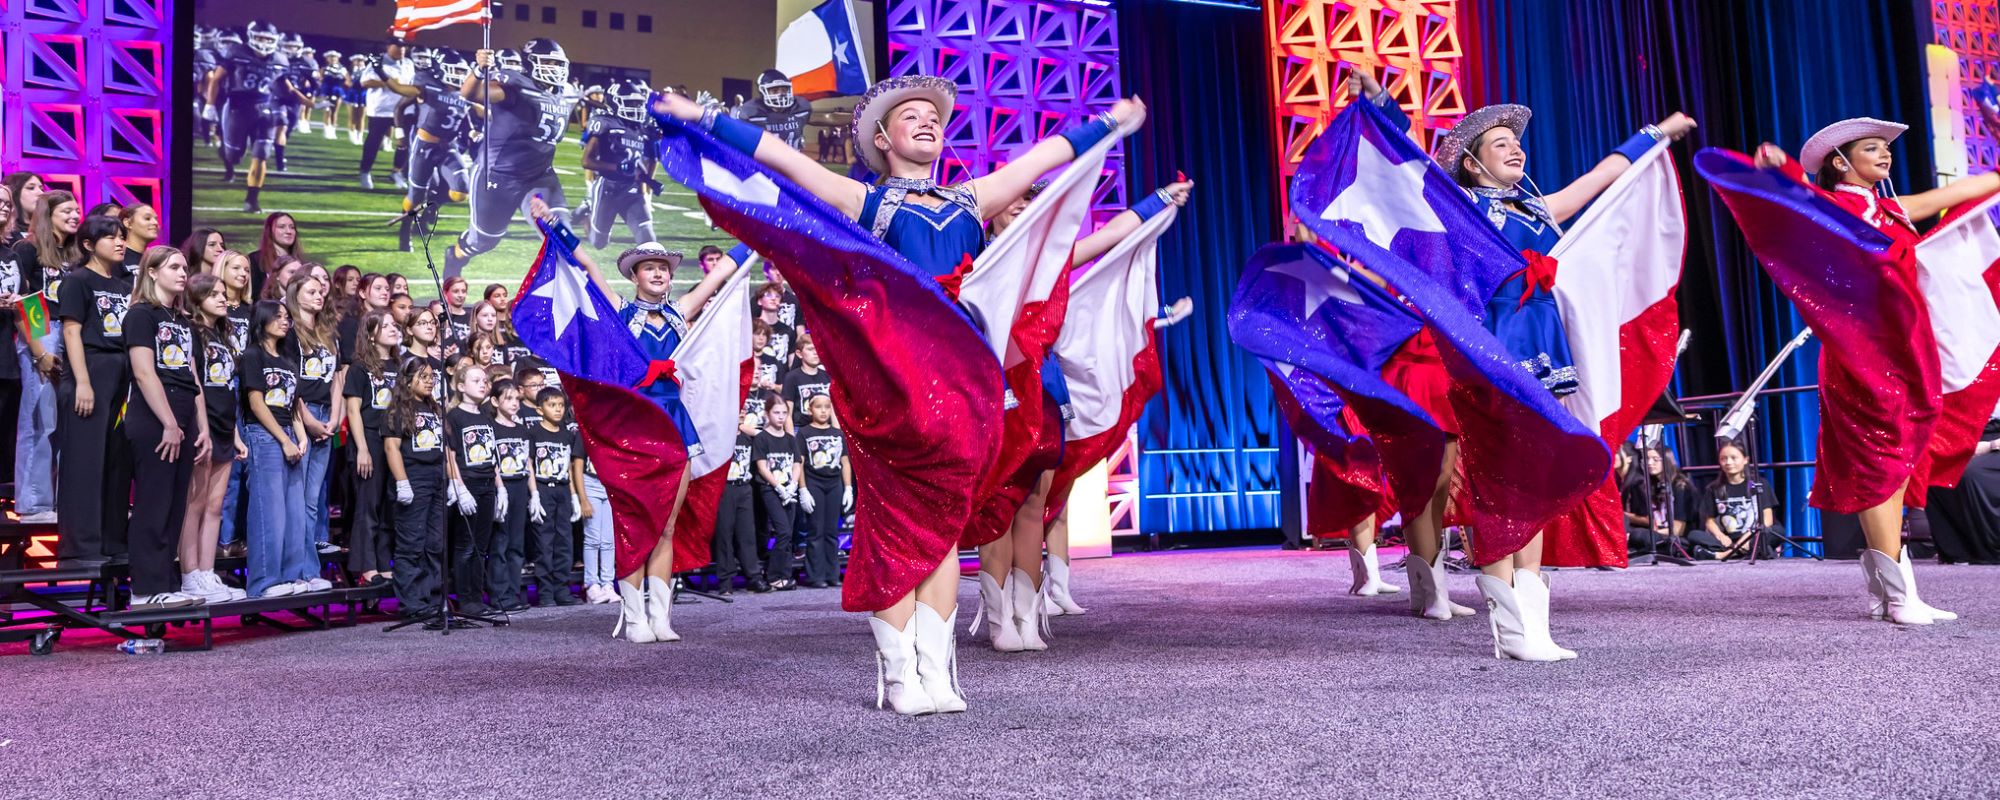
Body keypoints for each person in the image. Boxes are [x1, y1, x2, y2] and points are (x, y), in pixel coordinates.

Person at [652, 74, 1147, 713]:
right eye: (909, 116)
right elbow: (786, 161)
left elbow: (1043, 156)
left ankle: (935, 673)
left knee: (942, 529)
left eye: (932, 115)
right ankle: (896, 675)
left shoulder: (971, 199)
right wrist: (706, 116)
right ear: (883, 139)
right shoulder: (870, 201)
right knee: (893, 522)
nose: (925, 121)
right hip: (893, 381)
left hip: (965, 381)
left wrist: (1107, 124)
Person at [1424, 82, 1695, 659]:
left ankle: (1532, 618)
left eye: (1517, 142)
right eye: (1499, 144)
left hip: (1547, 349)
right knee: (1500, 474)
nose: (1515, 149)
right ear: (1471, 162)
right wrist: (1376, 104)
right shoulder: (1461, 209)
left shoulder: (1534, 207)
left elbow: (1601, 179)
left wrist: (1654, 136)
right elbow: (1412, 183)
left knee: (1538, 475)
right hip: (1492, 350)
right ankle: (1510, 624)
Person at [1744, 121, 1993, 625]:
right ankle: (1900, 595)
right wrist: (1785, 169)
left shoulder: (1888, 209)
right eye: (1872, 149)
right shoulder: (1838, 208)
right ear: (1841, 162)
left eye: (1886, 149)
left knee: (1894, 461)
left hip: (1900, 352)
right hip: (1863, 354)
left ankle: (1888, 591)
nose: (1885, 156)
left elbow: (1957, 191)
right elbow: (1800, 202)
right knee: (1883, 462)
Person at [550, 228, 736, 642]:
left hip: (674, 423)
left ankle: (660, 616)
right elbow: (589, 266)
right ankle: (633, 617)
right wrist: (555, 228)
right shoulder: (619, 309)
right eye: (649, 267)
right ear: (635, 275)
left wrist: (757, 235)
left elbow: (720, 273)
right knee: (635, 522)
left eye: (663, 268)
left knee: (667, 525)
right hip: (636, 425)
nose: (658, 273)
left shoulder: (681, 311)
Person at [441, 40, 579, 278]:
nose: (554, 68)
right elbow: (471, 93)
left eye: (558, 63)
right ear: (529, 63)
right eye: (547, 62)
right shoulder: (515, 83)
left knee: (563, 240)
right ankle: (454, 256)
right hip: (498, 177)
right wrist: (478, 70)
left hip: (539, 177)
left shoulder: (564, 92)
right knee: (483, 241)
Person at [123, 246, 210, 609]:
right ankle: (145, 588)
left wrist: (201, 426)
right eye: (174, 266)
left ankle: (165, 583)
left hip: (183, 410)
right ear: (153, 272)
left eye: (184, 267)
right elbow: (144, 372)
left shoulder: (182, 321)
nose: (182, 273)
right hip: (154, 413)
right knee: (153, 501)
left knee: (175, 504)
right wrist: (170, 424)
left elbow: (193, 376)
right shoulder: (141, 315)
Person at [54, 216, 134, 566]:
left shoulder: (123, 284)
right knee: (85, 460)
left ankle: (112, 538)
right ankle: (81, 544)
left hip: (122, 372)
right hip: (92, 369)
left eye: (121, 237)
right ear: (89, 244)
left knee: (117, 458)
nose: (119, 243)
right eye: (111, 237)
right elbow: (71, 332)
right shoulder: (77, 281)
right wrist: (82, 381)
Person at [239, 299, 325, 597]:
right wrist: (285, 439)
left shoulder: (287, 360)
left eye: (287, 317)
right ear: (262, 319)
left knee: (294, 512)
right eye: (278, 316)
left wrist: (300, 436)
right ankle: (264, 582)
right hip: (264, 435)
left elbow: (293, 407)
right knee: (270, 512)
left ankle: (292, 576)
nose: (285, 321)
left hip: (289, 433)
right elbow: (255, 403)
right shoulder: (252, 355)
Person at [180, 272, 248, 603]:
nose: (223, 298)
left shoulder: (222, 334)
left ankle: (207, 572)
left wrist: (234, 434)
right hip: (200, 425)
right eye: (214, 294)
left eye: (223, 293)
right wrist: (202, 426)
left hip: (224, 424)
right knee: (194, 503)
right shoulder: (192, 333)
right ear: (196, 299)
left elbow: (228, 389)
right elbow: (195, 385)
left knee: (215, 505)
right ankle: (190, 573)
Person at [10, 188, 69, 524]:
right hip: (42, 331)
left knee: (59, 422)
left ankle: (54, 497)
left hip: (67, 332)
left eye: (76, 210)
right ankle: (32, 502)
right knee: (38, 419)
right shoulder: (28, 249)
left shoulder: (71, 253)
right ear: (48, 214)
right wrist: (38, 351)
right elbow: (25, 302)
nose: (75, 216)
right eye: (66, 211)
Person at [205, 20, 295, 212]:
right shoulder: (236, 52)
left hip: (264, 109)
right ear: (251, 36)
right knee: (233, 154)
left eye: (268, 38)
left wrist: (295, 104)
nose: (263, 42)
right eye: (260, 37)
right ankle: (233, 157)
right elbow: (216, 79)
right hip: (237, 107)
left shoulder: (280, 59)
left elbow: (284, 88)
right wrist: (210, 104)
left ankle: (251, 199)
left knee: (262, 154)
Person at [385, 357, 449, 624]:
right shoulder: (399, 408)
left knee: (434, 543)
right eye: (423, 376)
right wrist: (402, 482)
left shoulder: (433, 408)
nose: (430, 381)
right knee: (412, 543)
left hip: (435, 478)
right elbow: (392, 447)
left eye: (432, 377)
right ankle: (412, 602)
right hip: (414, 477)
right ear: (407, 379)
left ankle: (432, 598)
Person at [343, 311, 402, 587]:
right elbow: (353, 410)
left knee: (389, 505)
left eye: (394, 324)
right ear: (371, 334)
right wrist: (363, 449)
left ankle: (382, 561)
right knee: (368, 506)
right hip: (369, 439)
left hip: (394, 443)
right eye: (386, 325)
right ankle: (365, 565)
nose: (393, 328)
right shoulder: (360, 367)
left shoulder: (400, 366)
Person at [444, 362, 504, 615]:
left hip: (487, 483)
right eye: (476, 380)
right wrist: (458, 486)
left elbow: (493, 455)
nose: (483, 384)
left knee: (481, 545)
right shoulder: (455, 416)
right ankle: (465, 598)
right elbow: (450, 453)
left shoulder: (486, 416)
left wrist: (501, 488)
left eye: (485, 381)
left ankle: (477, 597)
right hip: (467, 482)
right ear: (460, 386)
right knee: (465, 545)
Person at [582, 80, 661, 250]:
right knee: (599, 243)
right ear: (614, 103)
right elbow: (587, 161)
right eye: (630, 103)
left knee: (648, 239)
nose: (635, 108)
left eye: (638, 103)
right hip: (607, 189)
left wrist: (650, 181)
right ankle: (585, 212)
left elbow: (637, 162)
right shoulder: (606, 123)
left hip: (632, 191)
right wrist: (617, 168)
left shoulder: (641, 127)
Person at [527, 387, 583, 606]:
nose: (558, 410)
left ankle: (562, 590)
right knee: (544, 543)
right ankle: (546, 593)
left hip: (562, 490)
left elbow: (569, 467)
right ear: (540, 409)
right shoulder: (533, 433)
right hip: (543, 489)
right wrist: (534, 495)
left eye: (561, 405)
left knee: (564, 543)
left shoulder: (567, 435)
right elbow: (529, 463)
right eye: (552, 405)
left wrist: (574, 496)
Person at [797, 395, 851, 588]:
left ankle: (832, 574)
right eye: (819, 407)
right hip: (814, 483)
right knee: (816, 530)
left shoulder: (838, 434)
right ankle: (815, 575)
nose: (823, 411)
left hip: (834, 484)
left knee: (831, 531)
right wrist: (803, 489)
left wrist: (848, 488)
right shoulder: (804, 433)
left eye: (827, 407)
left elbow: (844, 462)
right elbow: (800, 462)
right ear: (810, 409)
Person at [489, 379, 533, 611]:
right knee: (500, 543)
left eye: (517, 398)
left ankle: (512, 594)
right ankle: (498, 596)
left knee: (517, 543)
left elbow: (528, 462)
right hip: (502, 487)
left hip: (520, 486)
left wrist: (533, 493)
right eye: (509, 398)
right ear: (495, 401)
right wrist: (500, 488)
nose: (515, 403)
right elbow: (492, 461)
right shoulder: (491, 427)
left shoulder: (521, 428)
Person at [752, 393, 802, 591]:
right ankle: (773, 575)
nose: (780, 417)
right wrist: (779, 487)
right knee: (782, 531)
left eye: (784, 413)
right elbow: (762, 467)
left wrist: (793, 485)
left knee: (788, 533)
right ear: (767, 414)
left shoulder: (790, 439)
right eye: (776, 412)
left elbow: (797, 462)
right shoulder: (762, 438)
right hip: (770, 490)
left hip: (788, 490)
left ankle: (784, 574)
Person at [1701, 439, 1781, 560]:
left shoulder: (1759, 484)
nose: (1728, 462)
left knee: (1777, 531)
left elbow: (1767, 520)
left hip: (1752, 536)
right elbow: (1709, 520)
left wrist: (1743, 542)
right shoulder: (1714, 488)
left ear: (1745, 460)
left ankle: (1726, 555)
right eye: (1723, 458)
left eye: (1734, 458)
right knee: (1694, 535)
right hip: (1728, 540)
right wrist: (1720, 536)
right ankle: (1748, 552)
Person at [711, 412, 763, 594]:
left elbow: (765, 436)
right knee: (725, 534)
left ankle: (753, 577)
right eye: (737, 410)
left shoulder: (749, 437)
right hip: (725, 489)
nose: (741, 414)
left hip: (744, 488)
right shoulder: (720, 437)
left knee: (747, 534)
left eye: (743, 411)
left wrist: (742, 428)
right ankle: (725, 581)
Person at [357, 40, 412, 191]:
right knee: (374, 141)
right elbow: (365, 82)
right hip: (381, 109)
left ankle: (397, 172)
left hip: (402, 110)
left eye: (403, 47)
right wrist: (389, 83)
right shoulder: (379, 61)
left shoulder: (408, 63)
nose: (401, 50)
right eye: (398, 46)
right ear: (389, 47)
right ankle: (365, 171)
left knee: (404, 141)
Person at [248, 212, 303, 299]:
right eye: (281, 227)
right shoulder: (255, 260)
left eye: (292, 227)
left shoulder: (301, 263)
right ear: (269, 231)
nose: (289, 231)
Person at [779, 335, 830, 428]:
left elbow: (834, 411)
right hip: (800, 428)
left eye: (817, 348)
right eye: (810, 349)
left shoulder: (828, 377)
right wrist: (791, 438)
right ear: (799, 353)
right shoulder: (791, 377)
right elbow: (787, 412)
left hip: (825, 429)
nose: (815, 353)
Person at [119, 204, 161, 275]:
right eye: (147, 218)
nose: (155, 223)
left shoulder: (158, 259)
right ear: (128, 223)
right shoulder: (117, 256)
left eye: (156, 219)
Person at [441, 276, 472, 361]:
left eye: (463, 291)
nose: (461, 295)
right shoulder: (442, 317)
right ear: (445, 293)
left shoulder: (471, 318)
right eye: (456, 291)